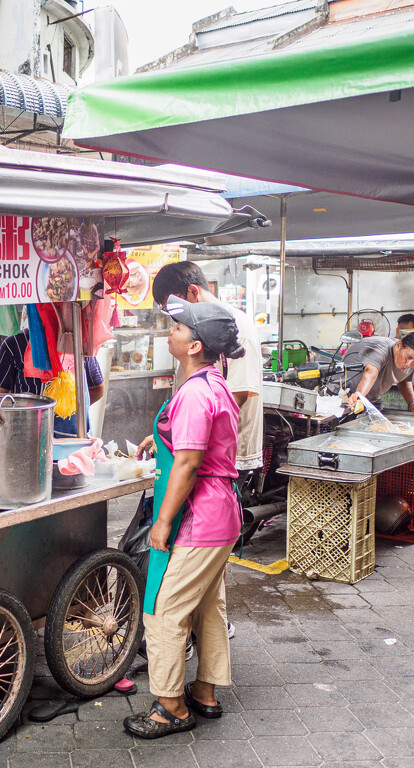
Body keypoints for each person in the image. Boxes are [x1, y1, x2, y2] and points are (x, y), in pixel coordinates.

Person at [123, 299, 244, 741]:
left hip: (200, 518)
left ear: (194, 345)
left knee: (165, 611)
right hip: (223, 514)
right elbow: (198, 444)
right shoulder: (215, 382)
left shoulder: (194, 391)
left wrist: (161, 522)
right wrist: (160, 439)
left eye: (176, 327)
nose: (170, 331)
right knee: (209, 605)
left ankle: (172, 705)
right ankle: (205, 692)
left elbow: (190, 463)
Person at [141, 262, 263, 476]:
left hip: (224, 455)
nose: (172, 316)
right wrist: (170, 434)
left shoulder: (236, 326)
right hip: (195, 445)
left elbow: (237, 396)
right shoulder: (193, 325)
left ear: (192, 292)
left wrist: (183, 435)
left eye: (171, 307)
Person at [0, 328, 105, 437]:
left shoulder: (79, 343)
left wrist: (69, 409)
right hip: (32, 437)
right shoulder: (15, 344)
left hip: (67, 440)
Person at [341, 331, 414, 417]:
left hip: (371, 399)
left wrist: (413, 404)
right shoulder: (381, 349)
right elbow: (370, 373)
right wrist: (359, 394)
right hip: (343, 398)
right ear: (398, 345)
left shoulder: (409, 359)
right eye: (408, 357)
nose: (408, 364)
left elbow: (404, 380)